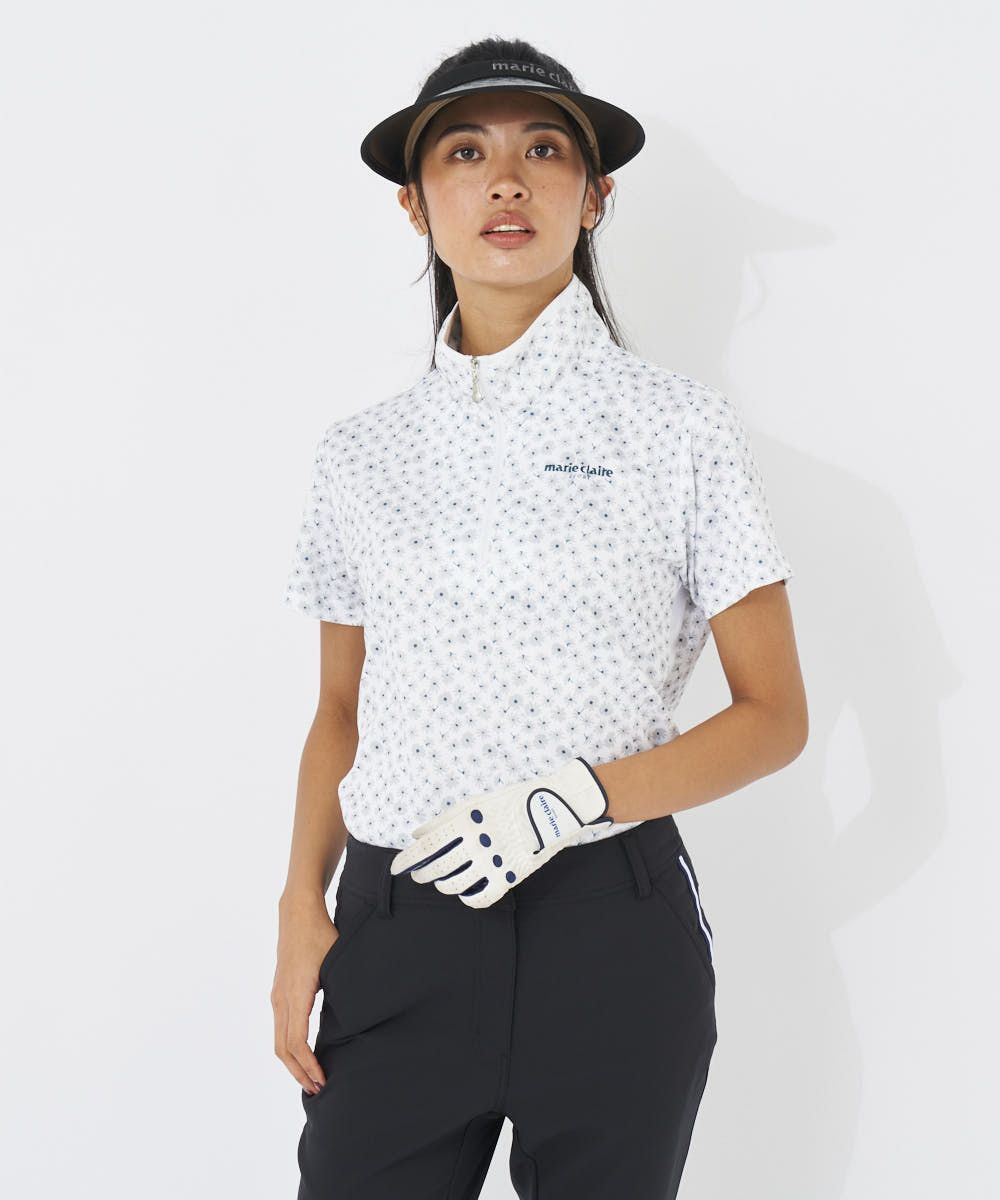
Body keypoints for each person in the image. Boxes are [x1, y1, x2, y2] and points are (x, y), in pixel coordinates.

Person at [273, 36, 808, 1200]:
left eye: (543, 150)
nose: (505, 180)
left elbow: (773, 716)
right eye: (465, 153)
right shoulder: (359, 455)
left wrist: (574, 796)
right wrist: (298, 907)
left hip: (608, 932)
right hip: (397, 931)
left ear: (594, 195)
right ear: (415, 205)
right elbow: (339, 710)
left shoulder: (679, 429)